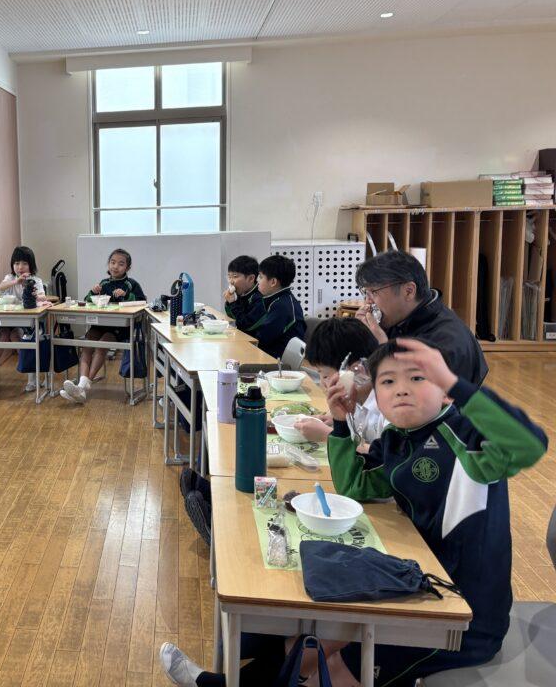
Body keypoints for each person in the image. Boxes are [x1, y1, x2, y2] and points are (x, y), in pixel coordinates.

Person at [161, 337, 548, 687]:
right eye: (388, 382)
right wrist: (341, 424)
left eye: (418, 379)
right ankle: (222, 682)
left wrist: (460, 386)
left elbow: (529, 443)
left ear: (446, 392)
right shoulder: (397, 440)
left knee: (342, 659)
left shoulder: (468, 438)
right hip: (416, 579)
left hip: (463, 615)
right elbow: (356, 486)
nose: (401, 390)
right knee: (321, 630)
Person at [354, 250, 487, 385]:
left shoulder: (447, 342)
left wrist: (381, 349)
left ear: (409, 291)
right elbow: (357, 375)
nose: (367, 301)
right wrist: (362, 338)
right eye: (365, 292)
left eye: (374, 292)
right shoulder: (399, 319)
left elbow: (411, 393)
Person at [60, 248, 145, 404]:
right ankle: (81, 387)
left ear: (127, 267)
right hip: (101, 324)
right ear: (108, 264)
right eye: (113, 262)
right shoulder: (104, 283)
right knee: (87, 344)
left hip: (121, 328)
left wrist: (126, 295)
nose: (115, 266)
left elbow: (142, 302)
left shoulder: (131, 284)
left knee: (102, 344)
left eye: (121, 264)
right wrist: (93, 292)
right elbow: (87, 300)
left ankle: (82, 388)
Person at [294, 317, 385, 449]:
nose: (322, 384)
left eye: (325, 376)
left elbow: (384, 456)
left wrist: (328, 436)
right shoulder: (357, 399)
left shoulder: (389, 407)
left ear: (357, 370)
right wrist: (338, 421)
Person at [0, 245, 48, 394]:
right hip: (8, 320)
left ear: (31, 265)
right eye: (17, 263)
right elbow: (1, 287)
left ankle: (31, 376)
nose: (20, 267)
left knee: (16, 337)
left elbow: (43, 296)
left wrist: (35, 295)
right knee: (4, 336)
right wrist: (16, 282)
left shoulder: (35, 280)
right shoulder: (10, 278)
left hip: (28, 323)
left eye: (24, 263)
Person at [232, 254, 305, 359]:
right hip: (267, 355)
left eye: (261, 277)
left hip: (275, 362)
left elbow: (261, 339)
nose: (258, 281)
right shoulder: (277, 300)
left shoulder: (281, 306)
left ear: (273, 282)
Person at [222, 254, 260, 323]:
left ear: (251, 278)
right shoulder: (242, 292)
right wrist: (229, 302)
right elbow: (231, 317)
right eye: (229, 277)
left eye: (235, 276)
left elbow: (244, 324)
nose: (231, 281)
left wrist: (232, 303)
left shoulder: (259, 298)